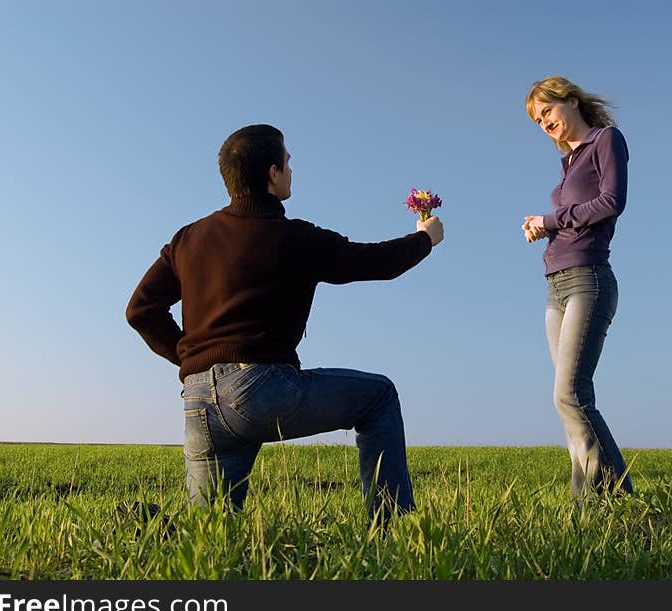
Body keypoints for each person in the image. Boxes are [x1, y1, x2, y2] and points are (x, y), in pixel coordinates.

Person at [126, 124, 444, 523]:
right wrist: (425, 239)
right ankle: (391, 528)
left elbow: (140, 310)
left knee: (207, 531)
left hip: (198, 399)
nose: (292, 170)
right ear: (272, 174)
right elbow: (373, 261)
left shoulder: (188, 239)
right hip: (259, 392)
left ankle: (152, 523)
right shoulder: (294, 237)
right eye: (288, 162)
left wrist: (196, 362)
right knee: (378, 396)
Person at [522, 76, 634, 498]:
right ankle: (591, 505)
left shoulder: (606, 140)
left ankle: (614, 502)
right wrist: (542, 228)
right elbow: (573, 215)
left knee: (570, 395)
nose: (544, 122)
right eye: (537, 120)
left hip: (589, 279)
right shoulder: (567, 164)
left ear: (570, 100)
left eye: (547, 111)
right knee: (570, 405)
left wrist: (549, 220)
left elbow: (611, 201)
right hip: (556, 284)